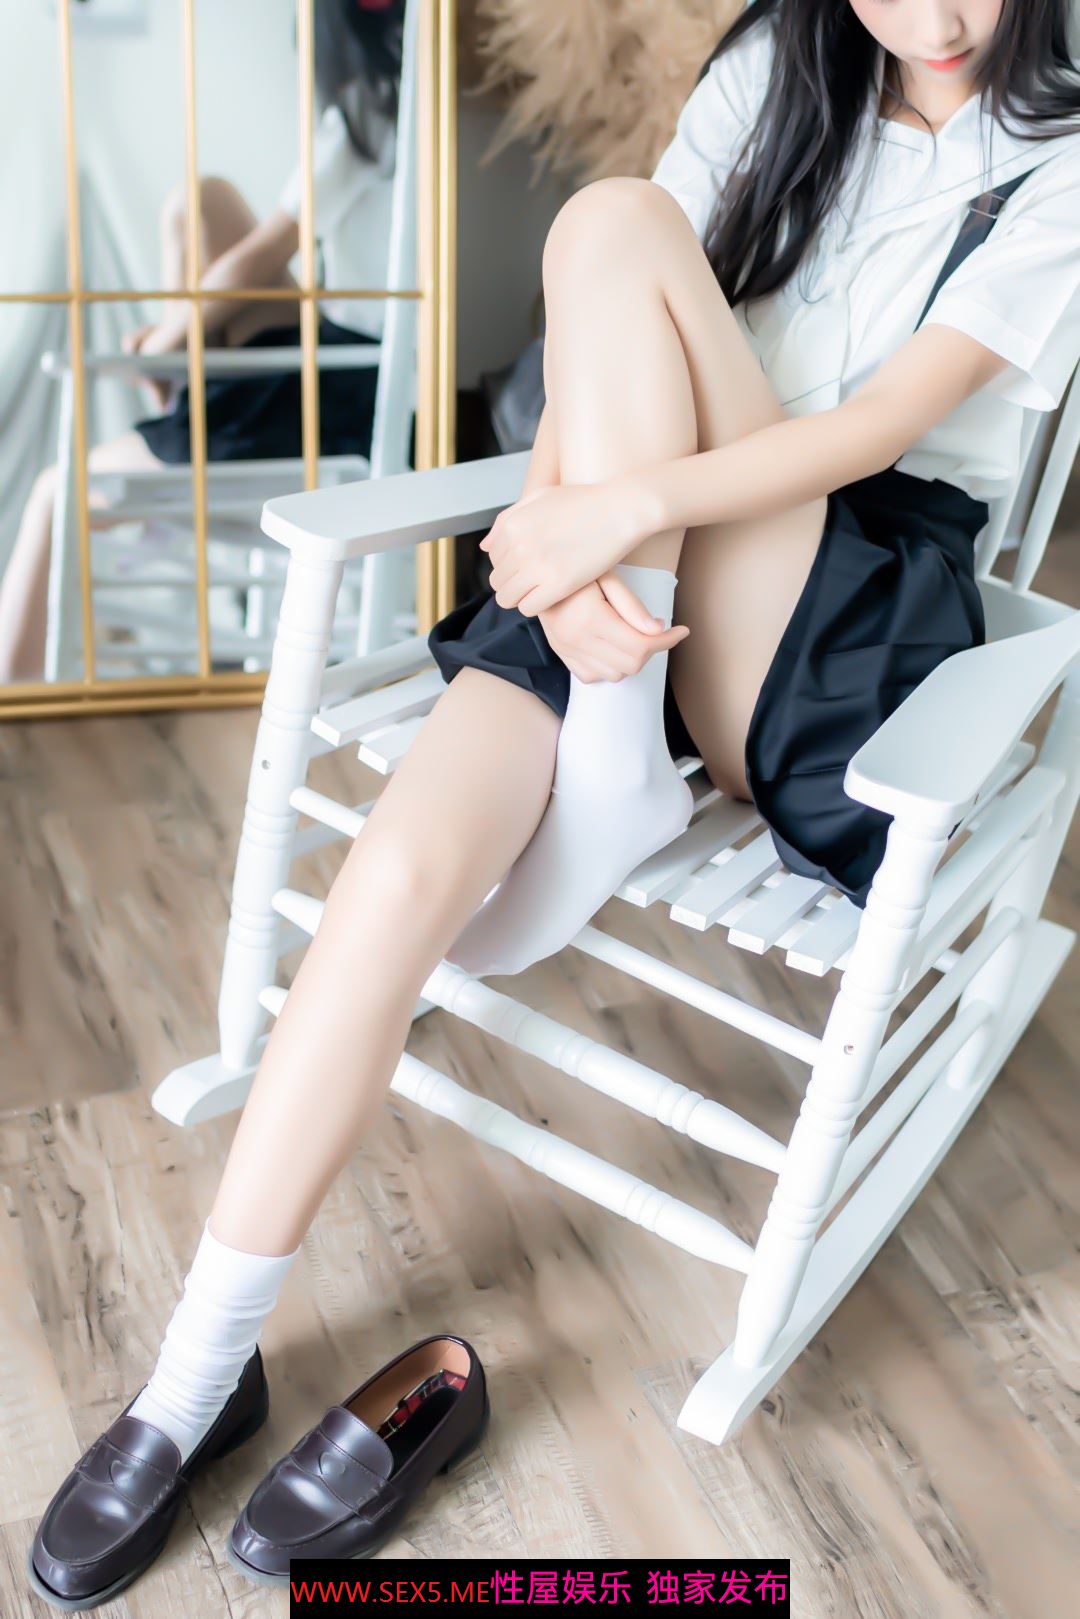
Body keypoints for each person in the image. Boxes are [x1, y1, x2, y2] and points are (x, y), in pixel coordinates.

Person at [27, 0, 1080, 1604]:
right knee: (394, 876)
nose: (932, 21)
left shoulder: (1064, 150)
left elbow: (869, 432)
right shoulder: (776, 70)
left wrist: (607, 519)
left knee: (615, 220)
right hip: (628, 549)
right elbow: (604, 352)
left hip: (834, 607)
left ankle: (616, 743)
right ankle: (193, 1377)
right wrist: (557, 544)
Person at [0, 0, 403, 683]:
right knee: (200, 201)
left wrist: (162, 339)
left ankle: (12, 704)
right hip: (334, 381)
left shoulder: (363, 119)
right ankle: (180, 387)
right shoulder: (392, 114)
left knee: (52, 492)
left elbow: (260, 257)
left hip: (320, 399)